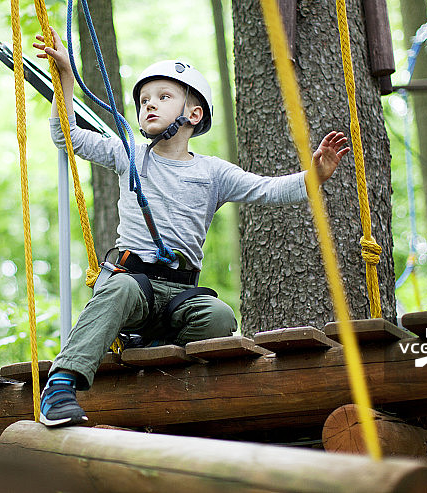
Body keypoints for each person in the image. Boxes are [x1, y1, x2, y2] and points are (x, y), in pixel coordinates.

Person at [32, 28, 351, 427]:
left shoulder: (213, 173)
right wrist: (65, 76)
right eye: (144, 100)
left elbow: (267, 189)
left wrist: (314, 175)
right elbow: (67, 136)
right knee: (118, 289)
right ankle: (61, 386)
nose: (150, 105)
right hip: (134, 286)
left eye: (164, 97)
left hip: (180, 294)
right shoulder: (128, 154)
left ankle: (157, 350)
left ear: (194, 115)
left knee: (218, 316)